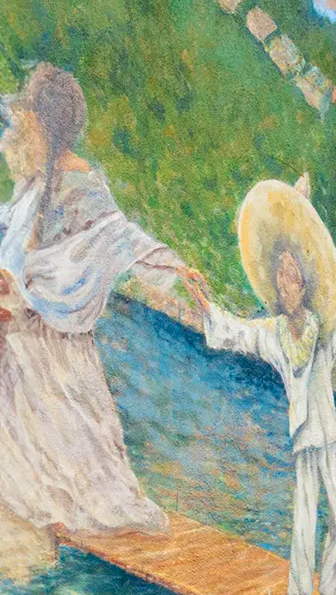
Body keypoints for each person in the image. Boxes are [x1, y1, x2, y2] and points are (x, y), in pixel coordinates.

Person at [0, 63, 202, 537]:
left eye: (30, 116)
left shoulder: (82, 181)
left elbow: (120, 236)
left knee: (80, 478)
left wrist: (174, 266)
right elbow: (12, 234)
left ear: (46, 124)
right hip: (29, 335)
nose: (21, 126)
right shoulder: (34, 181)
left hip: (57, 346)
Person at [186, 176, 336, 595]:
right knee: (301, 519)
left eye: (291, 274)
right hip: (303, 436)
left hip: (328, 435)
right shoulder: (274, 332)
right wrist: (208, 306)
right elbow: (236, 333)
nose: (285, 282)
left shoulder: (326, 322)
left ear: (303, 282)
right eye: (280, 275)